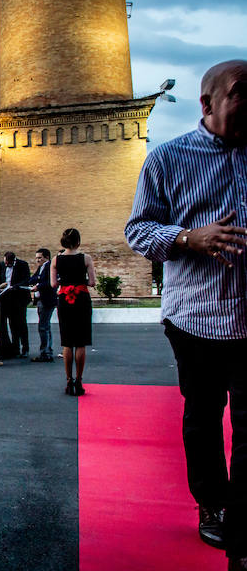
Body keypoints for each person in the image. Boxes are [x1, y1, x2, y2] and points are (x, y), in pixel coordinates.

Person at [125, 60, 247, 568]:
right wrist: (186, 237)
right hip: (196, 318)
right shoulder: (169, 159)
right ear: (208, 103)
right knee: (202, 417)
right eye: (242, 93)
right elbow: (138, 231)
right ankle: (213, 504)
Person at [50, 229, 95, 396]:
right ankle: (79, 380)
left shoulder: (56, 260)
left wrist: (65, 280)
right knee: (81, 342)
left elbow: (53, 284)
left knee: (67, 342)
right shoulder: (86, 258)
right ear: (78, 241)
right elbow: (92, 282)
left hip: (64, 300)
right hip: (81, 299)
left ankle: (68, 381)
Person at [0, 252, 31, 358]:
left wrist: (15, 286)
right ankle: (14, 348)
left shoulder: (23, 265)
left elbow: (26, 280)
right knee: (10, 323)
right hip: (5, 298)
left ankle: (25, 348)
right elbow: (0, 278)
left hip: (19, 298)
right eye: (5, 262)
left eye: (8, 263)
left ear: (13, 260)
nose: (6, 264)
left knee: (21, 323)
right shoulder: (2, 265)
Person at [28, 248, 57, 362]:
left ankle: (45, 352)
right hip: (41, 300)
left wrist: (38, 286)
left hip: (47, 300)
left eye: (40, 258)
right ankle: (47, 350)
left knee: (43, 327)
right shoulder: (41, 267)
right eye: (36, 258)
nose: (37, 260)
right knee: (46, 326)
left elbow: (50, 282)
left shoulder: (50, 266)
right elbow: (34, 278)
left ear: (46, 257)